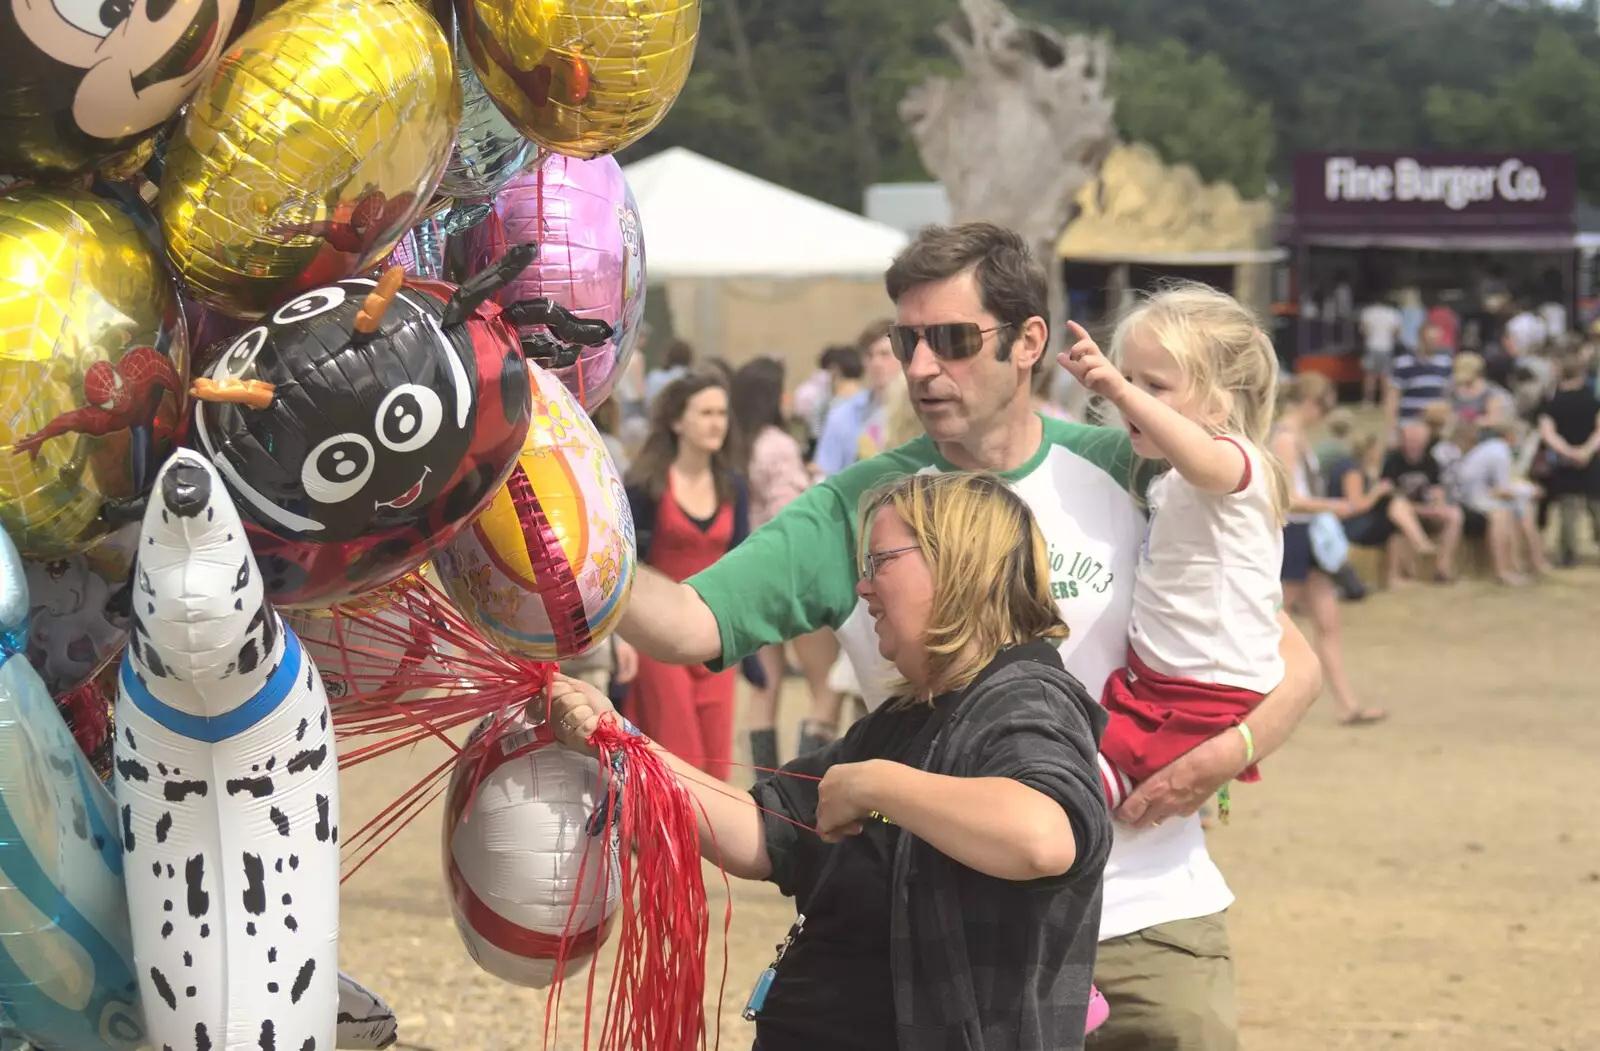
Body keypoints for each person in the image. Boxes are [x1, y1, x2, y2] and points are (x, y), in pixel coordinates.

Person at [616, 222, 1323, 1050]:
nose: (921, 367)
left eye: (951, 340)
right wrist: (564, 551)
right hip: (943, 947)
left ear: (1029, 341)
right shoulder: (863, 506)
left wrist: (1221, 753)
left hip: (1145, 925)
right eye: (905, 340)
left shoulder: (1137, 469)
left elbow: (1291, 659)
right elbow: (687, 621)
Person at [547, 471, 1114, 1051]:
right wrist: (618, 742)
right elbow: (766, 831)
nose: (862, 588)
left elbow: (1043, 835)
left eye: (881, 562)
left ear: (958, 565)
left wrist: (878, 786)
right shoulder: (907, 718)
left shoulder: (1025, 697)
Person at [1057, 285, 1286, 812]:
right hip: (1163, 686)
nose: (1130, 395)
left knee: (1066, 785)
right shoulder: (1175, 480)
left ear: (1219, 401)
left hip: (1200, 694)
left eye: (1154, 385)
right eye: (1130, 377)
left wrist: (1117, 389)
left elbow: (1203, 460)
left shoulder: (1235, 465)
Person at [622, 373, 753, 781]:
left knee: (717, 766)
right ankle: (666, 844)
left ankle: (706, 848)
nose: (717, 423)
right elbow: (623, 564)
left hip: (717, 637)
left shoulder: (733, 486)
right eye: (705, 413)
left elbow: (744, 560)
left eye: (721, 413)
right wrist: (620, 636)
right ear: (678, 422)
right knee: (680, 759)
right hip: (659, 633)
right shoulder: (646, 485)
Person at [730, 357, 836, 773]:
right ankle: (808, 786)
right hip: (791, 575)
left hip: (747, 576)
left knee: (764, 687)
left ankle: (764, 789)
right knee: (826, 687)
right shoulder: (778, 444)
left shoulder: (734, 444)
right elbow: (788, 514)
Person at [1271, 373, 1385, 726]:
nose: (1324, 414)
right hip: (1295, 536)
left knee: (1327, 621)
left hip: (1309, 536)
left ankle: (1346, 704)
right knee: (1275, 622)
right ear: (1310, 403)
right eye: (1323, 406)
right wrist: (1331, 506)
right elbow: (1287, 498)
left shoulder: (1297, 437)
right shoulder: (1285, 439)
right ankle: (1262, 707)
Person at [1453, 418, 1550, 584]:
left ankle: (1532, 562)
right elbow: (1501, 491)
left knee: (1522, 511)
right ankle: (1503, 570)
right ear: (1509, 435)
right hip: (1469, 498)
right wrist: (1529, 491)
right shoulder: (1499, 452)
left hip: (1481, 494)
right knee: (1503, 514)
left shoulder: (1492, 449)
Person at [1535, 353, 1600, 566]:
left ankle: (1568, 555)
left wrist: (1568, 453)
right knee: (1597, 504)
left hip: (1564, 463)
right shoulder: (1592, 399)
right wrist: (1586, 452)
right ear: (1581, 373)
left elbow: (1548, 434)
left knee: (1568, 508)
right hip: (1592, 460)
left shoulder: (1552, 403)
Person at [1380, 420, 1464, 581]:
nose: (1414, 444)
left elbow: (1437, 489)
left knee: (1455, 515)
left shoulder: (1430, 461)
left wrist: (1438, 506)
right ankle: (1421, 544)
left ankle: (1443, 568)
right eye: (1411, 440)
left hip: (1422, 507)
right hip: (1399, 510)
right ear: (1403, 440)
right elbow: (1389, 491)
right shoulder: (1393, 460)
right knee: (1399, 505)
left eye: (1418, 440)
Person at [1359, 293, 1403, 407]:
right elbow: (1397, 331)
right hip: (1386, 347)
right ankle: (1384, 400)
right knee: (1385, 376)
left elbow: (1363, 329)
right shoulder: (1392, 313)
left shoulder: (1368, 312)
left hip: (1371, 346)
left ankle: (1368, 401)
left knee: (1370, 376)